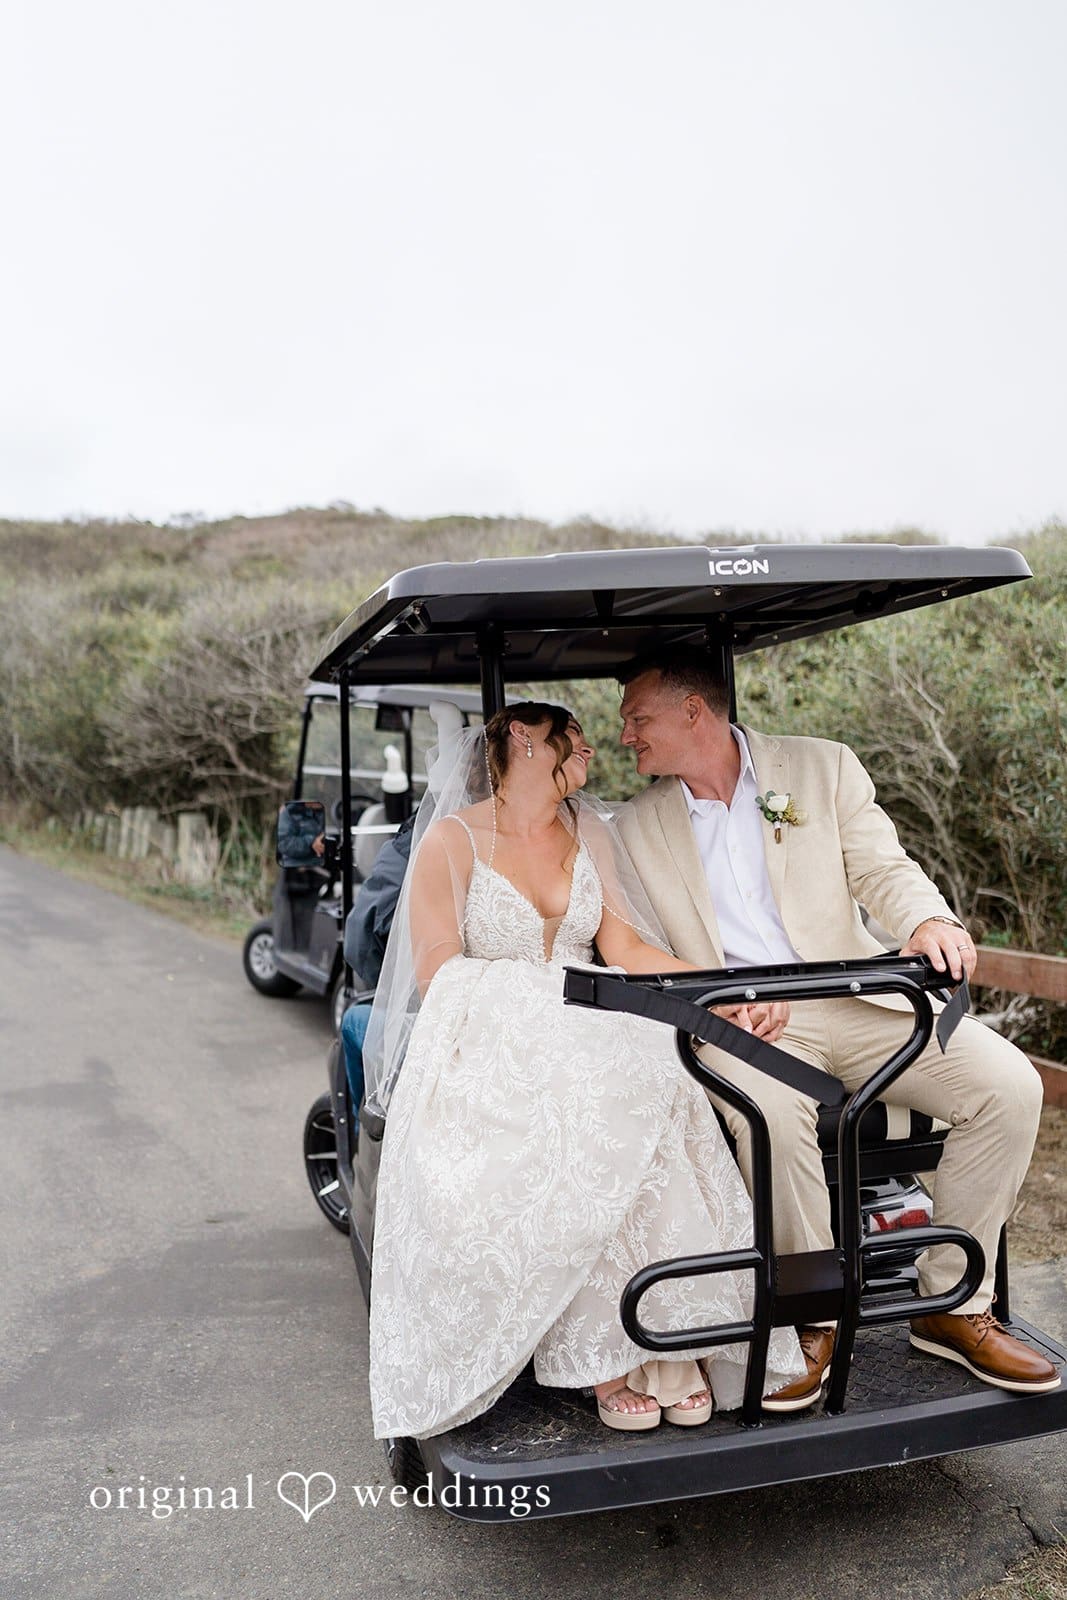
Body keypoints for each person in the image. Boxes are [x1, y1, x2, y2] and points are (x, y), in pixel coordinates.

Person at [615, 644, 1059, 1405]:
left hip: (855, 999)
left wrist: (925, 918)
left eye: (637, 718)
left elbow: (882, 866)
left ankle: (952, 1306)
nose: (625, 735)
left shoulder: (822, 768)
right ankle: (812, 1315)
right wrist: (718, 998)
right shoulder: (631, 825)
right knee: (772, 1113)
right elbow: (634, 941)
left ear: (693, 712)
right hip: (741, 1022)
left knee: (1010, 1086)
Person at [366, 703, 806, 1441]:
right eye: (570, 734)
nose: (590, 747)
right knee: (573, 1106)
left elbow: (627, 950)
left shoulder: (588, 832)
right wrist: (540, 996)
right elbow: (438, 972)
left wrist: (722, 991)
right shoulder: (449, 841)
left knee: (653, 1078)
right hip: (491, 1034)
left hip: (588, 1020)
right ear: (519, 741)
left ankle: (670, 1335)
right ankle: (606, 1355)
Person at [338, 814, 416, 1132]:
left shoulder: (425, 836)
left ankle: (363, 1142)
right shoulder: (569, 831)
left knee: (354, 1021)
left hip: (441, 1026)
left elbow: (360, 940)